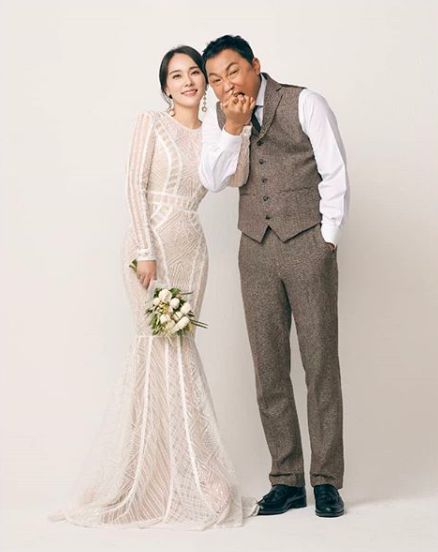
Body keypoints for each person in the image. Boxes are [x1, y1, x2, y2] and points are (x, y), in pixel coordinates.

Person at [48, 45, 258, 530]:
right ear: (165, 87)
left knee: (180, 350)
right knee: (156, 350)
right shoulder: (151, 123)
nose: (188, 82)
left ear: (205, 82)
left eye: (194, 73)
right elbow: (134, 186)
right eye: (176, 76)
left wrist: (239, 127)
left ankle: (183, 475)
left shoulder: (214, 131)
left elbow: (236, 177)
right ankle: (145, 476)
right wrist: (145, 248)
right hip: (152, 247)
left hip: (191, 251)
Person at [199, 35, 349, 518]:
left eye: (232, 71)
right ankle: (287, 480)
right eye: (215, 79)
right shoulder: (222, 118)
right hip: (255, 249)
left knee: (320, 363)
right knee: (269, 368)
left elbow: (334, 172)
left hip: (307, 243)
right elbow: (213, 179)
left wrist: (327, 239)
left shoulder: (305, 102)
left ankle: (326, 480)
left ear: (255, 65)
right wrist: (233, 127)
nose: (226, 85)